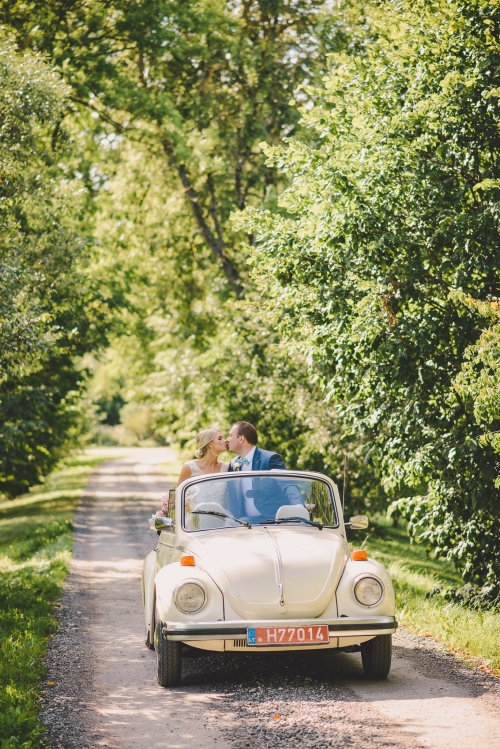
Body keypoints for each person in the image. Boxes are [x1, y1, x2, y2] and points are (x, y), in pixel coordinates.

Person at [226, 421, 302, 518]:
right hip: (244, 523)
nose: (227, 440)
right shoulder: (234, 464)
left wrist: (298, 506)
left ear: (241, 439)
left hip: (271, 520)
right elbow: (233, 498)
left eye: (230, 436)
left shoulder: (269, 459)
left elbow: (287, 484)